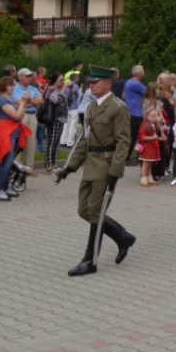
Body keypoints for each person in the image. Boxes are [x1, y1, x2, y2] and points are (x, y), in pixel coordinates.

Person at [55, 65, 136, 277]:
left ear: (108, 83)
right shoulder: (90, 108)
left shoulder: (118, 108)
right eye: (90, 82)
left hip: (106, 165)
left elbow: (123, 142)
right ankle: (122, 237)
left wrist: (115, 171)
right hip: (90, 164)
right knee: (85, 211)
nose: (90, 84)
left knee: (96, 213)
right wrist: (69, 168)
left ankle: (90, 260)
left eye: (95, 81)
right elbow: (85, 140)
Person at [0, 77, 32, 201]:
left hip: (14, 132)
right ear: (4, 86)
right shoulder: (3, 99)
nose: (13, 87)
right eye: (10, 85)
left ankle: (5, 187)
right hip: (6, 133)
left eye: (13, 85)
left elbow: (21, 113)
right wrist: (23, 102)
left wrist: (25, 102)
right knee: (5, 162)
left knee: (9, 162)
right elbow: (16, 116)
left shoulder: (10, 98)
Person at [12, 68, 44, 172]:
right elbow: (19, 103)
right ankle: (15, 167)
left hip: (32, 115)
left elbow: (41, 101)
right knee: (18, 140)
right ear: (20, 77)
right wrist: (32, 102)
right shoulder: (15, 88)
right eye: (27, 76)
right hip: (21, 115)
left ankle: (29, 167)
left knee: (31, 142)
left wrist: (28, 101)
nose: (29, 78)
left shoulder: (33, 88)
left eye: (30, 76)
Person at [43, 74, 69, 173]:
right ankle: (48, 164)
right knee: (51, 142)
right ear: (55, 81)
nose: (63, 82)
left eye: (63, 80)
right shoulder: (50, 89)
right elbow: (55, 100)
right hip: (53, 119)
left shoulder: (59, 90)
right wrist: (63, 90)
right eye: (61, 80)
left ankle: (54, 163)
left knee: (57, 142)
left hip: (61, 119)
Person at [124, 65, 147, 160]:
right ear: (139, 73)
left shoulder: (129, 82)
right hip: (136, 113)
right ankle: (128, 156)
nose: (144, 72)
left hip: (132, 112)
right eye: (143, 71)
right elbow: (149, 91)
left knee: (134, 136)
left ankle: (131, 155)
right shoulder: (136, 84)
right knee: (136, 136)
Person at [137, 108, 163, 187]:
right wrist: (153, 137)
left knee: (150, 164)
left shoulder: (152, 124)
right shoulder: (145, 125)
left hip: (151, 147)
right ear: (147, 116)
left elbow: (160, 119)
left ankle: (150, 178)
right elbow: (142, 137)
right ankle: (143, 180)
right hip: (146, 147)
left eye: (155, 116)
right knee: (145, 164)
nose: (155, 118)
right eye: (152, 116)